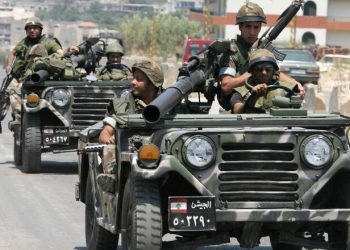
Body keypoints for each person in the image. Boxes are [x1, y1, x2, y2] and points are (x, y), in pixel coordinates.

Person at [218, 2, 304, 111]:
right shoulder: (232, 52)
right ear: (240, 27)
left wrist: (295, 84)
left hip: (264, 102)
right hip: (238, 103)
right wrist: (252, 72)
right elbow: (226, 86)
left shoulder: (263, 48)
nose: (252, 32)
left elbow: (275, 73)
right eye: (248, 27)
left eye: (256, 27)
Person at [97, 58, 164, 192]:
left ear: (152, 84)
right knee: (110, 148)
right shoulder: (123, 103)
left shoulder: (169, 102)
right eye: (134, 77)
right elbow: (104, 134)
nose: (133, 82)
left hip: (160, 152)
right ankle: (113, 177)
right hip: (130, 152)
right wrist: (110, 139)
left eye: (139, 79)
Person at [1, 17, 64, 129]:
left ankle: (19, 119)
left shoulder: (48, 42)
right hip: (21, 75)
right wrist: (9, 65)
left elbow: (61, 53)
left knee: (15, 92)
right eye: (30, 28)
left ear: (40, 29)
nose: (32, 30)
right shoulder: (25, 42)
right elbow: (13, 53)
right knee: (4, 92)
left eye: (35, 28)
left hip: (38, 76)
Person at [231, 49, 299, 114]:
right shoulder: (241, 91)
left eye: (268, 68)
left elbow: (297, 113)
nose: (264, 72)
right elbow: (237, 110)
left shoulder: (287, 90)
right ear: (252, 71)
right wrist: (253, 97)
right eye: (258, 69)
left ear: (274, 70)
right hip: (251, 125)